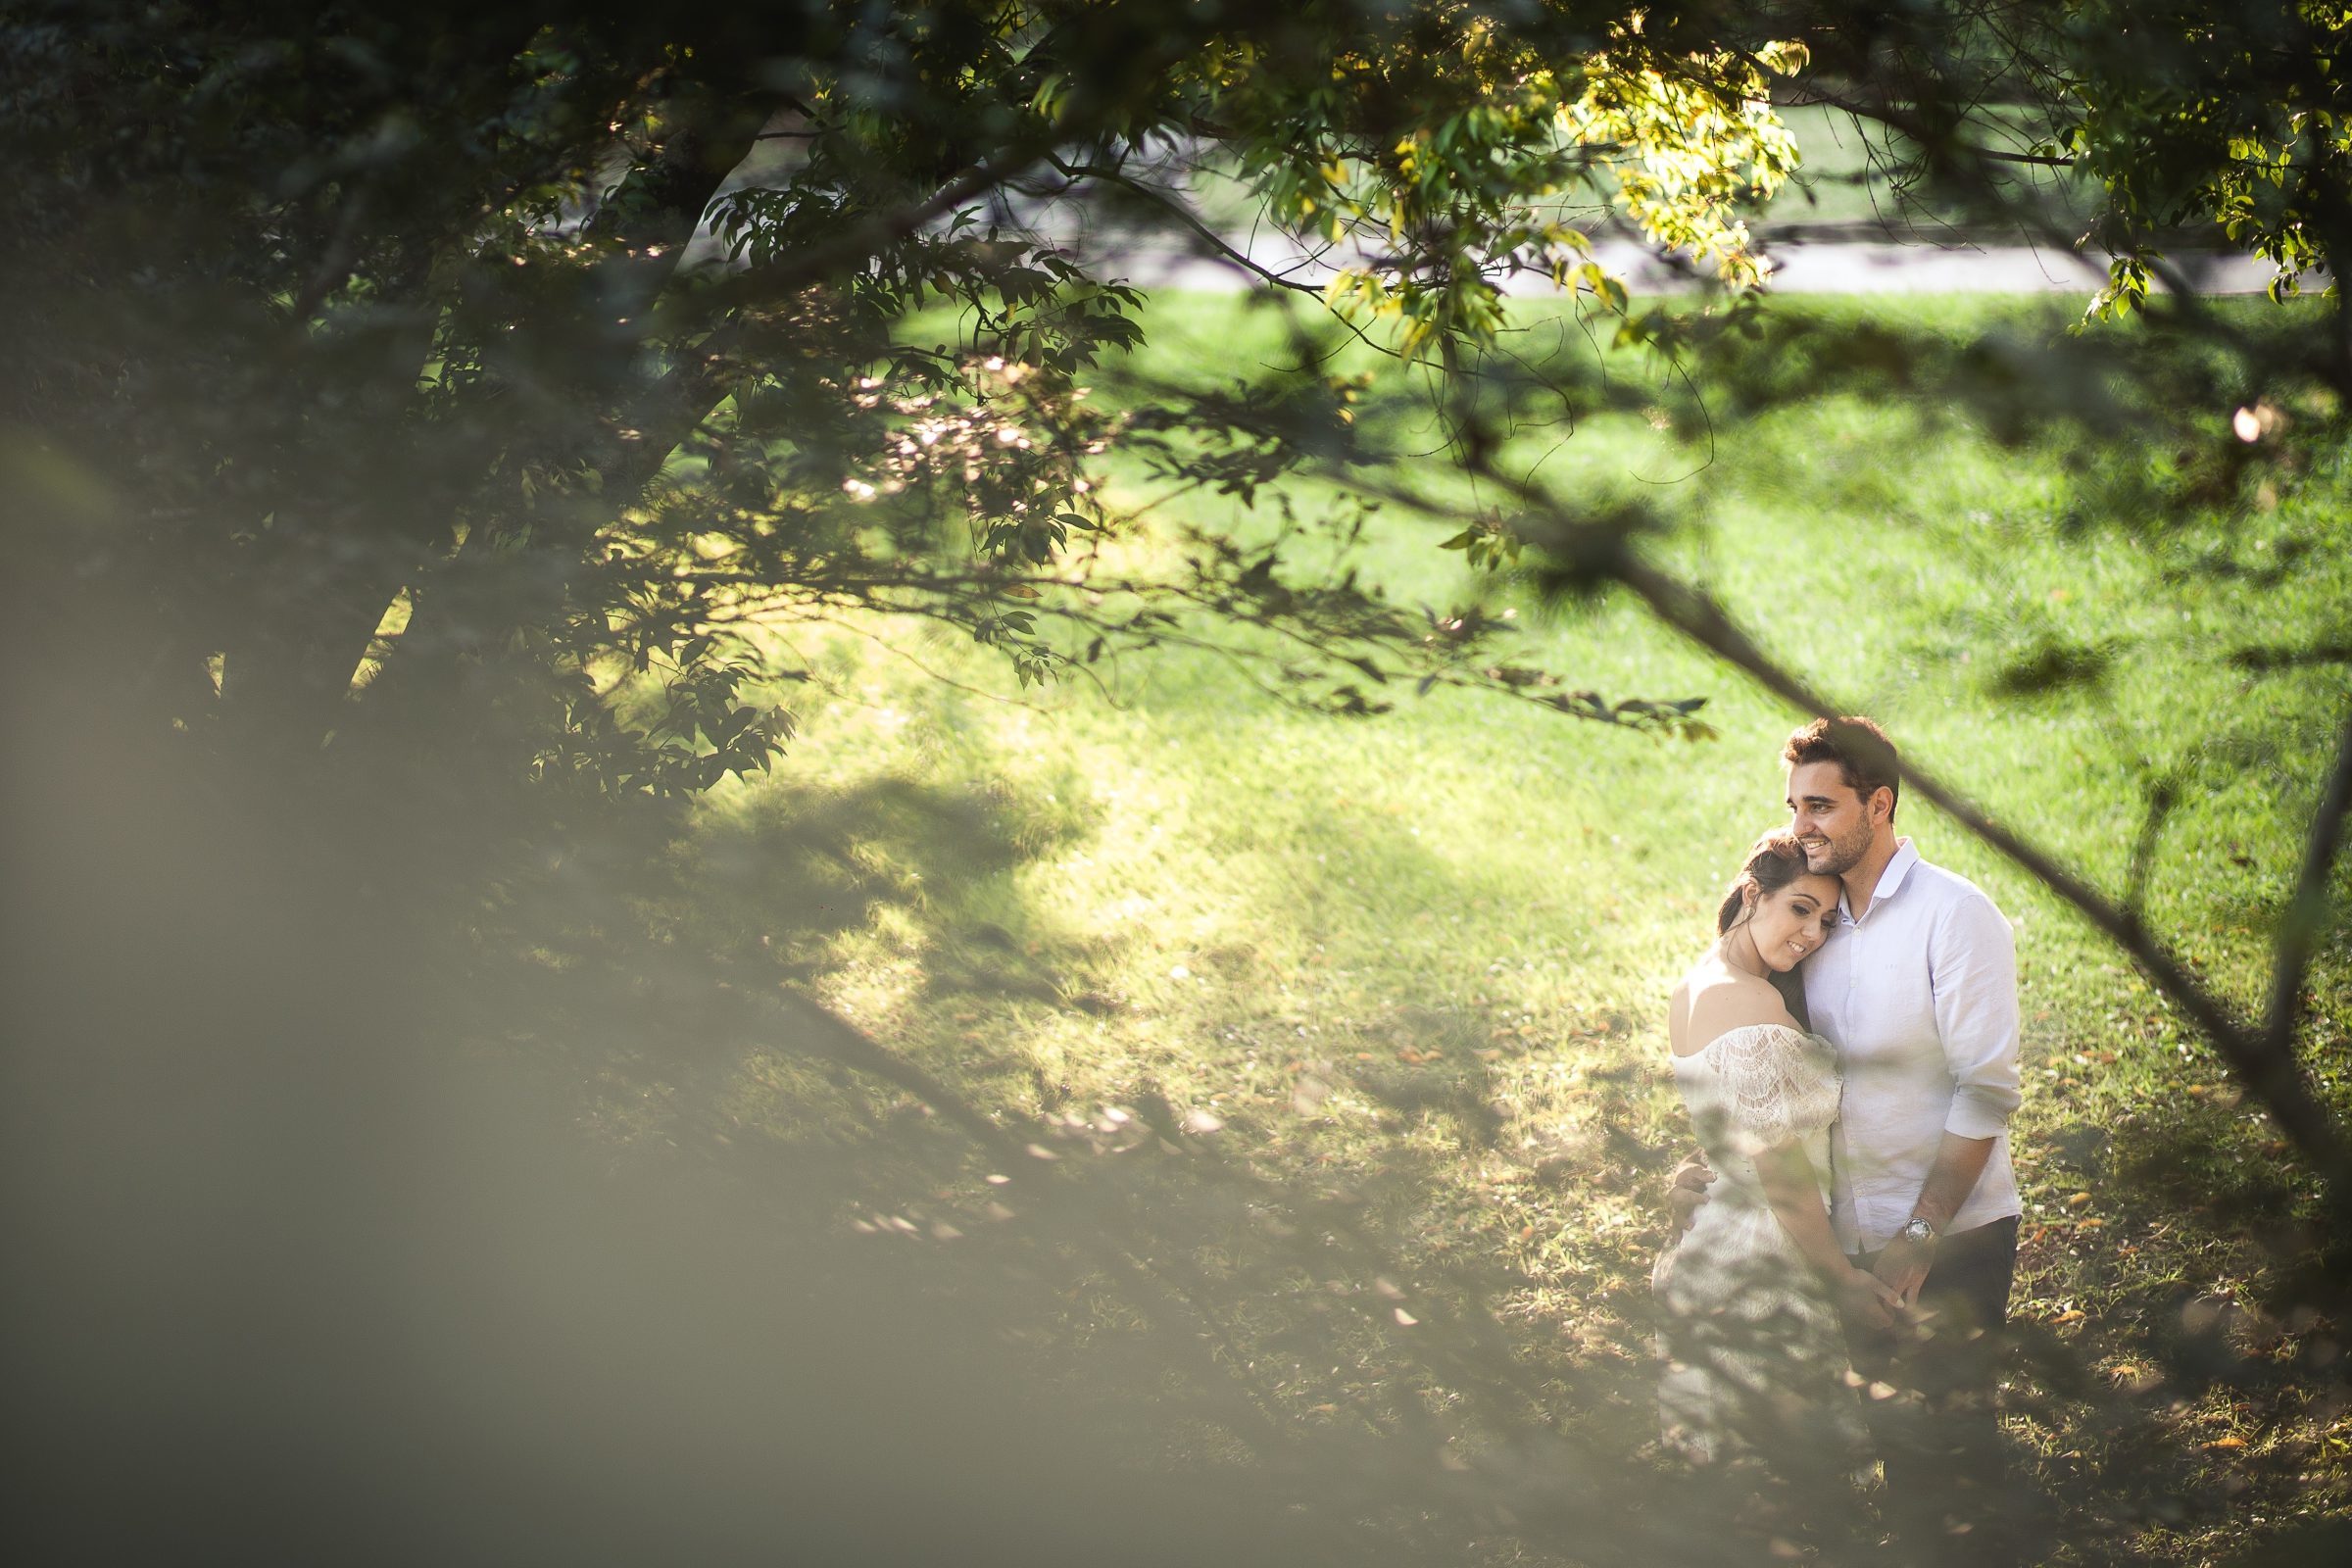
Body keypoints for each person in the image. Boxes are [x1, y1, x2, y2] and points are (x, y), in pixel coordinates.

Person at [1672, 716, 2025, 1552]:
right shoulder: (1812, 928)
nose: (1803, 826)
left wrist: (1921, 1231)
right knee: (1894, 1464)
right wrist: (1709, 1161)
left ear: (1880, 804)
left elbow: (1986, 1092)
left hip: (1954, 1234)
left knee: (1956, 1462)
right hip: (1841, 1246)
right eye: (1795, 806)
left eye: (1822, 806)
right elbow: (1764, 1079)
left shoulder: (1955, 916)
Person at [1652, 829, 1898, 1474]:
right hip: (1769, 1245)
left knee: (1755, 1472)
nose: (1812, 935)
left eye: (1825, 921)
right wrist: (1841, 1279)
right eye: (1799, 909)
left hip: (1728, 1231)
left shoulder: (1698, 985)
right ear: (1753, 894)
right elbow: (1781, 1169)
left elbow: (1725, 1121)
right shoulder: (1746, 997)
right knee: (1791, 1470)